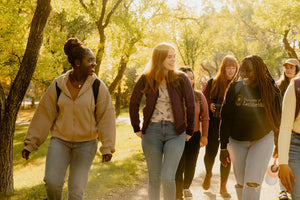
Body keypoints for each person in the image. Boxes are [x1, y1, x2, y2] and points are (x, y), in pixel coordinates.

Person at [22, 38, 116, 200]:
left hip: (86, 144)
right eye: (90, 60)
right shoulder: (58, 85)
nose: (94, 64)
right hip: (60, 141)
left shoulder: (97, 87)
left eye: (94, 60)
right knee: (52, 182)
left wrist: (107, 147)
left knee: (76, 190)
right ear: (78, 63)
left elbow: (106, 117)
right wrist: (31, 143)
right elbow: (44, 114)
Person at [129, 42, 195, 200]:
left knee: (167, 177)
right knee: (154, 179)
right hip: (152, 132)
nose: (173, 60)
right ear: (159, 58)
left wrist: (189, 130)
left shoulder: (181, 78)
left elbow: (191, 104)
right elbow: (133, 102)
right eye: (169, 57)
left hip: (175, 132)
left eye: (174, 56)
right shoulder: (146, 78)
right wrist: (136, 127)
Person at [220, 55, 281, 200]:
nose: (244, 74)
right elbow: (226, 119)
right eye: (242, 70)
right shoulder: (235, 88)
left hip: (262, 139)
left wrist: (278, 144)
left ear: (259, 71)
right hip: (236, 141)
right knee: (241, 183)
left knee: (252, 182)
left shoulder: (271, 90)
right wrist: (223, 147)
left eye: (249, 71)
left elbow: (278, 119)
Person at [202, 55, 239, 197]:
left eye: (233, 68)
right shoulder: (212, 82)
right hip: (214, 123)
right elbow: (203, 99)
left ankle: (223, 187)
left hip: (230, 125)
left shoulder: (239, 85)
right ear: (223, 69)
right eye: (228, 68)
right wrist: (210, 104)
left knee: (227, 155)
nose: (231, 71)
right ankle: (208, 173)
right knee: (210, 154)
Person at [175, 66, 210, 200]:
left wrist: (205, 135)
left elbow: (205, 117)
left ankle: (186, 187)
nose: (189, 81)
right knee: (179, 166)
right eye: (186, 78)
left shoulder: (199, 96)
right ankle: (178, 195)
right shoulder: (174, 96)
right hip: (177, 137)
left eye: (191, 78)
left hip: (194, 136)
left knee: (191, 164)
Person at [277, 58, 299, 200]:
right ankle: (282, 190)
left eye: (292, 67)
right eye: (287, 67)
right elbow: (285, 127)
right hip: (295, 144)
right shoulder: (295, 86)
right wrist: (283, 163)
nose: (289, 69)